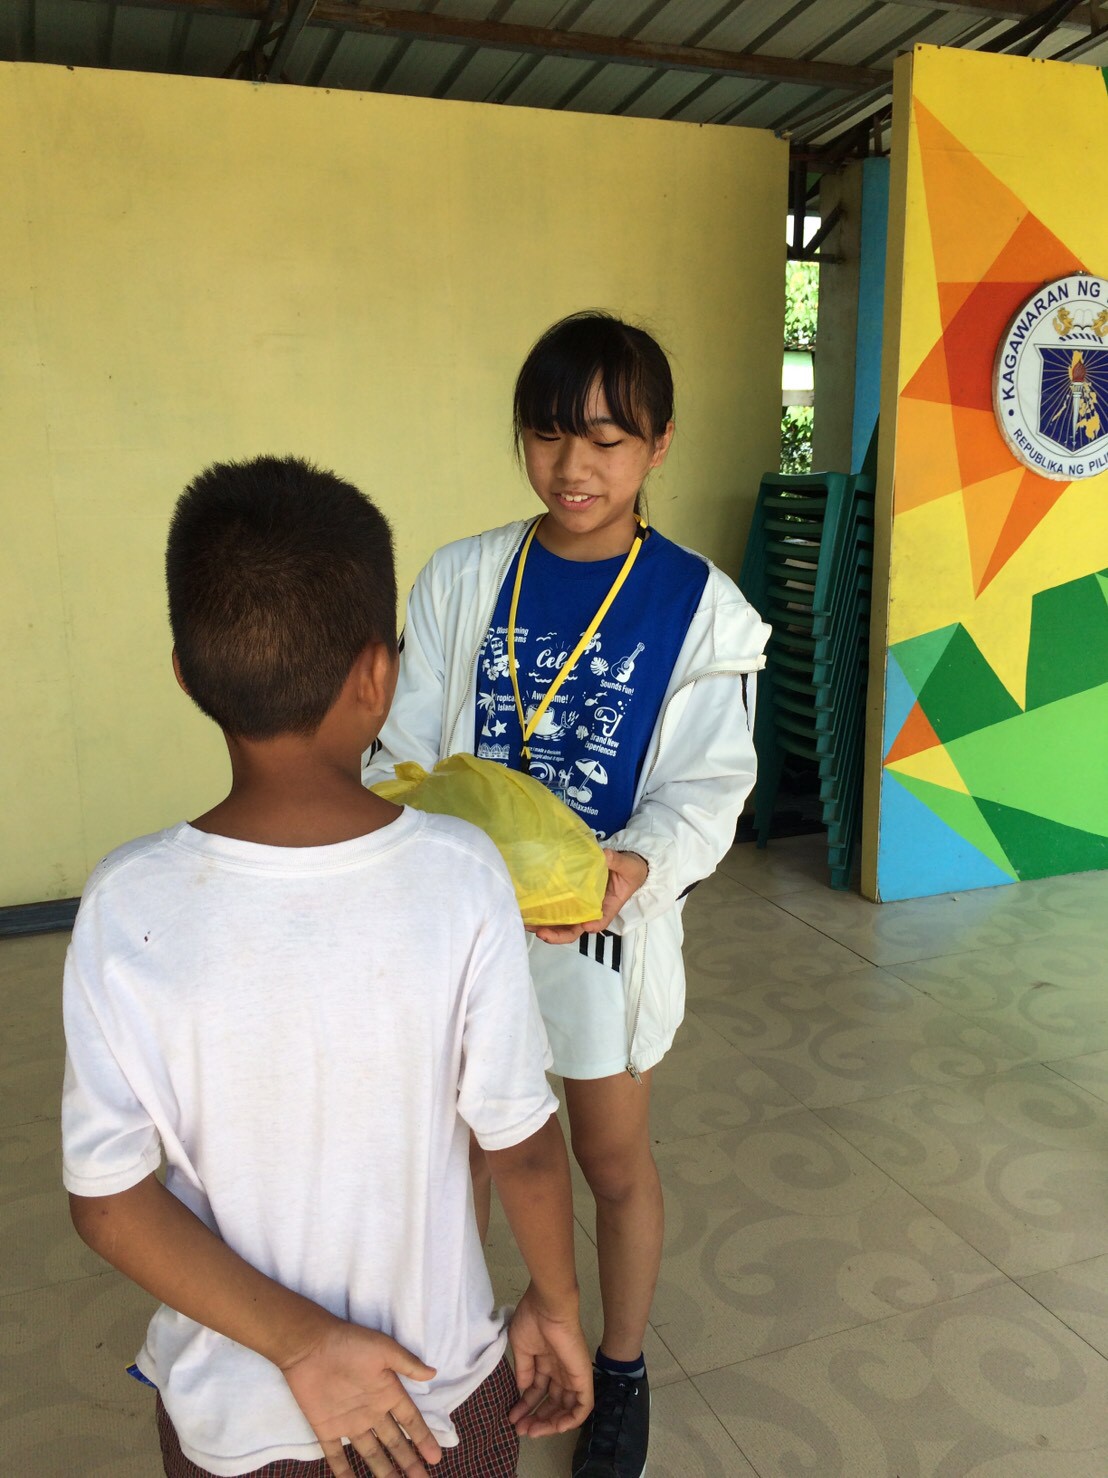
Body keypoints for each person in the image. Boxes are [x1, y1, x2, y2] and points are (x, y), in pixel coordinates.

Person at [61, 455, 593, 1478]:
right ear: (378, 675)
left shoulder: (125, 902)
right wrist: (557, 1306)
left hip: (232, 1420)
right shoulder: (460, 872)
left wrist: (300, 1343)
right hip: (437, 1397)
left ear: (186, 674)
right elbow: (521, 1144)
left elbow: (110, 1201)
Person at [363, 313, 770, 1478]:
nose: (572, 466)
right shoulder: (464, 576)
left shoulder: (699, 604)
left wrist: (632, 866)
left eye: (605, 438)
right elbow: (402, 745)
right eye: (547, 434)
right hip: (461, 926)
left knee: (608, 1159)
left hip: (601, 935)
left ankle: (622, 1364)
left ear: (658, 443)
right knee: (464, 1151)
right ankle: (462, 1347)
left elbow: (709, 780)